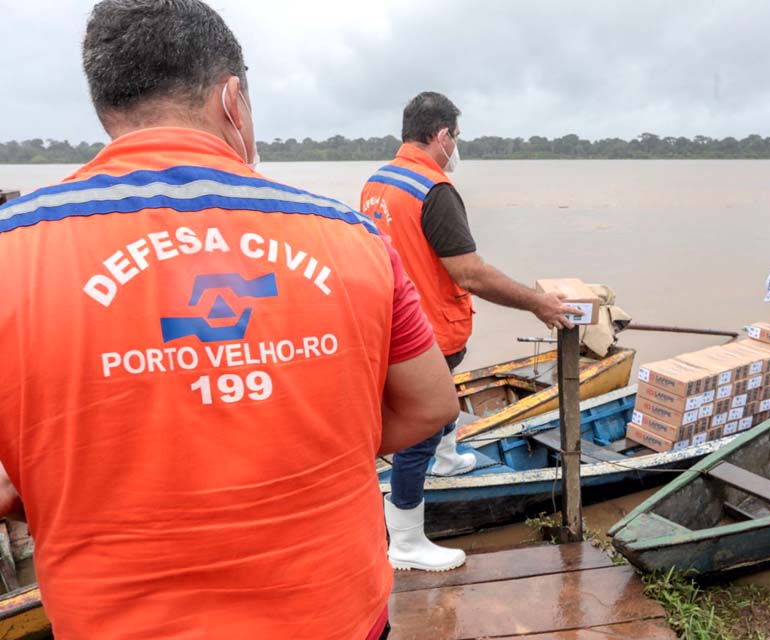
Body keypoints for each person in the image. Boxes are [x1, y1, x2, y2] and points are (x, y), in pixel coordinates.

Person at [0, 1, 459, 638]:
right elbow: (431, 402)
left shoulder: (15, 246)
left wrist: (70, 481)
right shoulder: (350, 236)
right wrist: (305, 455)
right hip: (334, 613)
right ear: (232, 99)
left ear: (106, 107)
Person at [360, 92, 581, 572]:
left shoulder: (378, 181)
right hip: (426, 331)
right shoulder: (434, 189)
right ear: (442, 135)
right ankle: (406, 540)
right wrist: (537, 302)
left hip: (391, 324)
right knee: (418, 432)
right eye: (456, 137)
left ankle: (447, 458)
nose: (456, 147)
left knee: (442, 399)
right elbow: (470, 273)